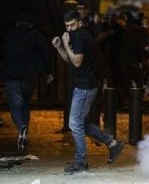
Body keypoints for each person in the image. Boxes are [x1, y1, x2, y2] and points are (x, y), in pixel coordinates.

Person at [52, 11, 125, 174]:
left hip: (84, 86)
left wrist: (65, 43)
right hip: (86, 85)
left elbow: (77, 62)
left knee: (74, 124)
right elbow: (69, 60)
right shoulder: (78, 35)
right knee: (81, 123)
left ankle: (81, 161)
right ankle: (113, 144)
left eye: (72, 25)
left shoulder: (79, 36)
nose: (69, 28)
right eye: (67, 26)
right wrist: (59, 47)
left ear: (79, 23)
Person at [1, 14, 52, 153]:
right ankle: (25, 132)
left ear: (17, 23)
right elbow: (45, 54)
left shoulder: (9, 36)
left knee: (15, 105)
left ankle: (21, 126)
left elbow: (2, 52)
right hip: (31, 76)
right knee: (26, 104)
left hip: (12, 76)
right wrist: (47, 72)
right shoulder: (36, 36)